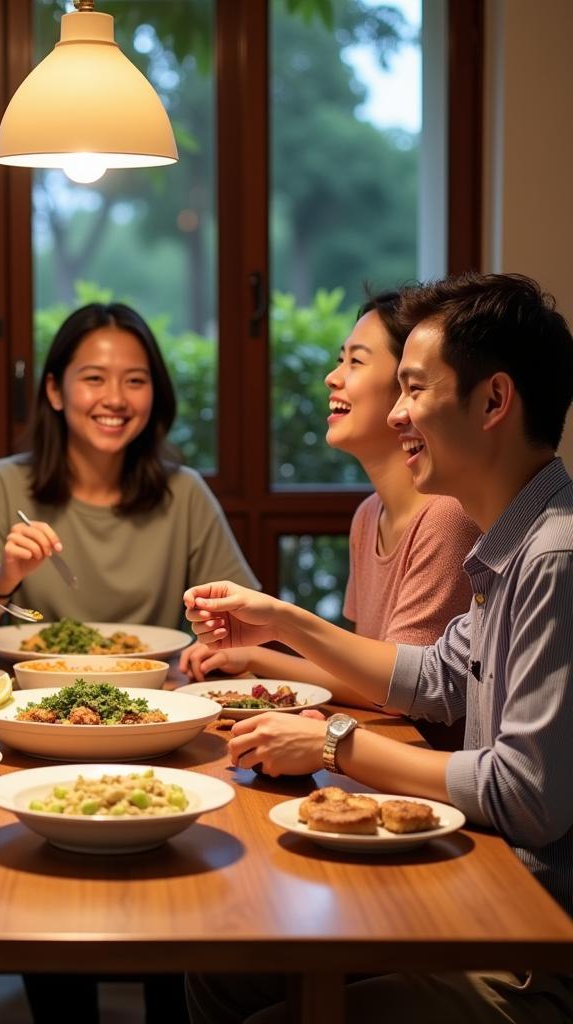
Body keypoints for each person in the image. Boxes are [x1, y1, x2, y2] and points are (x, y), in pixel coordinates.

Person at [183, 272, 573, 1023]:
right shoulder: (510, 543)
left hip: (526, 945)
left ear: (493, 402)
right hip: (482, 896)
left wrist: (334, 743)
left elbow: (527, 797)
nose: (397, 414)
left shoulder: (552, 557)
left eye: (414, 389)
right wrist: (280, 619)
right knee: (221, 965)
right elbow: (434, 676)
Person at [181, 290, 481, 748]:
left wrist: (266, 644)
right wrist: (251, 655)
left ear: (408, 385)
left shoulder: (445, 516)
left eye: (356, 362)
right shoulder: (369, 515)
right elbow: (368, 674)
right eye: (340, 360)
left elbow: (401, 694)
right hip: (387, 750)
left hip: (425, 773)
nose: (332, 377)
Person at [0, 302, 258, 652]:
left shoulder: (185, 493)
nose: (115, 399)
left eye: (135, 381)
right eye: (94, 378)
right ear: (55, 391)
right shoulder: (3, 483)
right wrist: (3, 578)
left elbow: (251, 625)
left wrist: (219, 641)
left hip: (158, 696)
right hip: (34, 697)